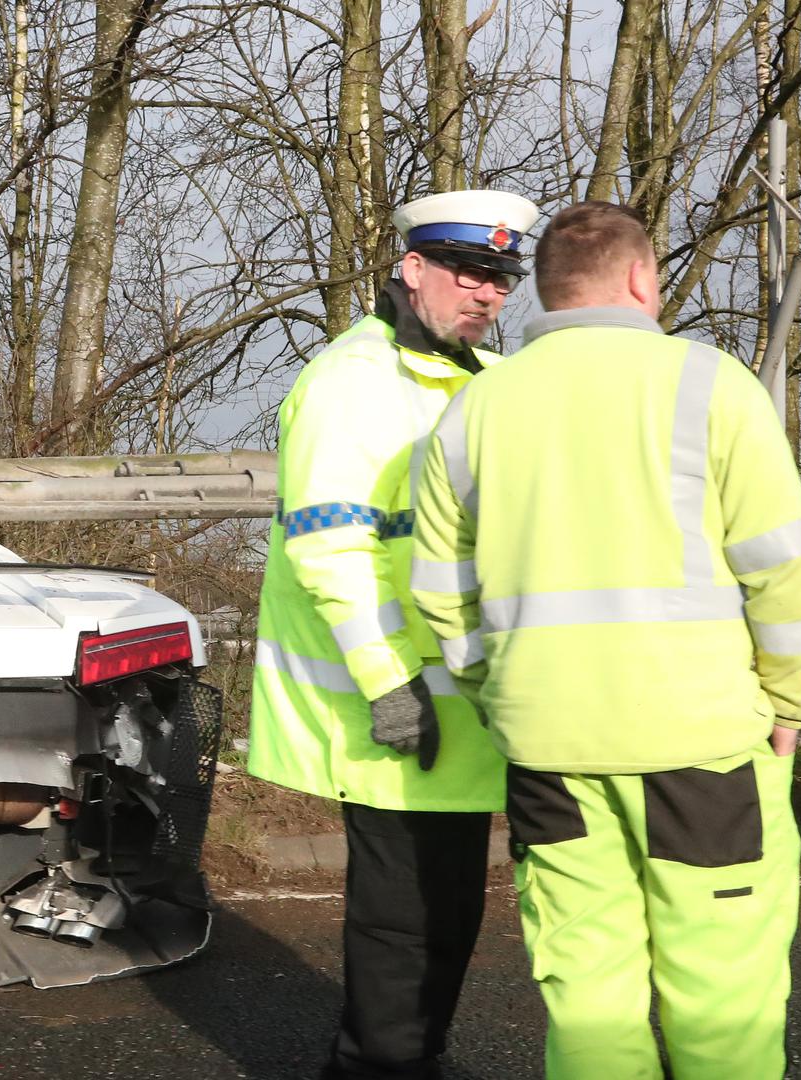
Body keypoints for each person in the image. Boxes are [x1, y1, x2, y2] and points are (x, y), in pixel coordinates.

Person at [410, 201, 801, 1080]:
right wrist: (790, 699)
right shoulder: (712, 386)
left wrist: (499, 690)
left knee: (588, 991)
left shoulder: (472, 411)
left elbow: (443, 593)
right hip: (703, 744)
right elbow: (782, 569)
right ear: (642, 279)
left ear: (544, 292)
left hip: (549, 745)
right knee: (721, 994)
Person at [249, 189, 538, 1079]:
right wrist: (390, 683)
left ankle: (412, 1058)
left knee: (446, 911)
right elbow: (333, 550)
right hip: (392, 706)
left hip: (456, 706)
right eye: (468, 272)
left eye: (500, 276)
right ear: (412, 270)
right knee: (405, 919)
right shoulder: (356, 382)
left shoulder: (479, 378)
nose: (486, 294)